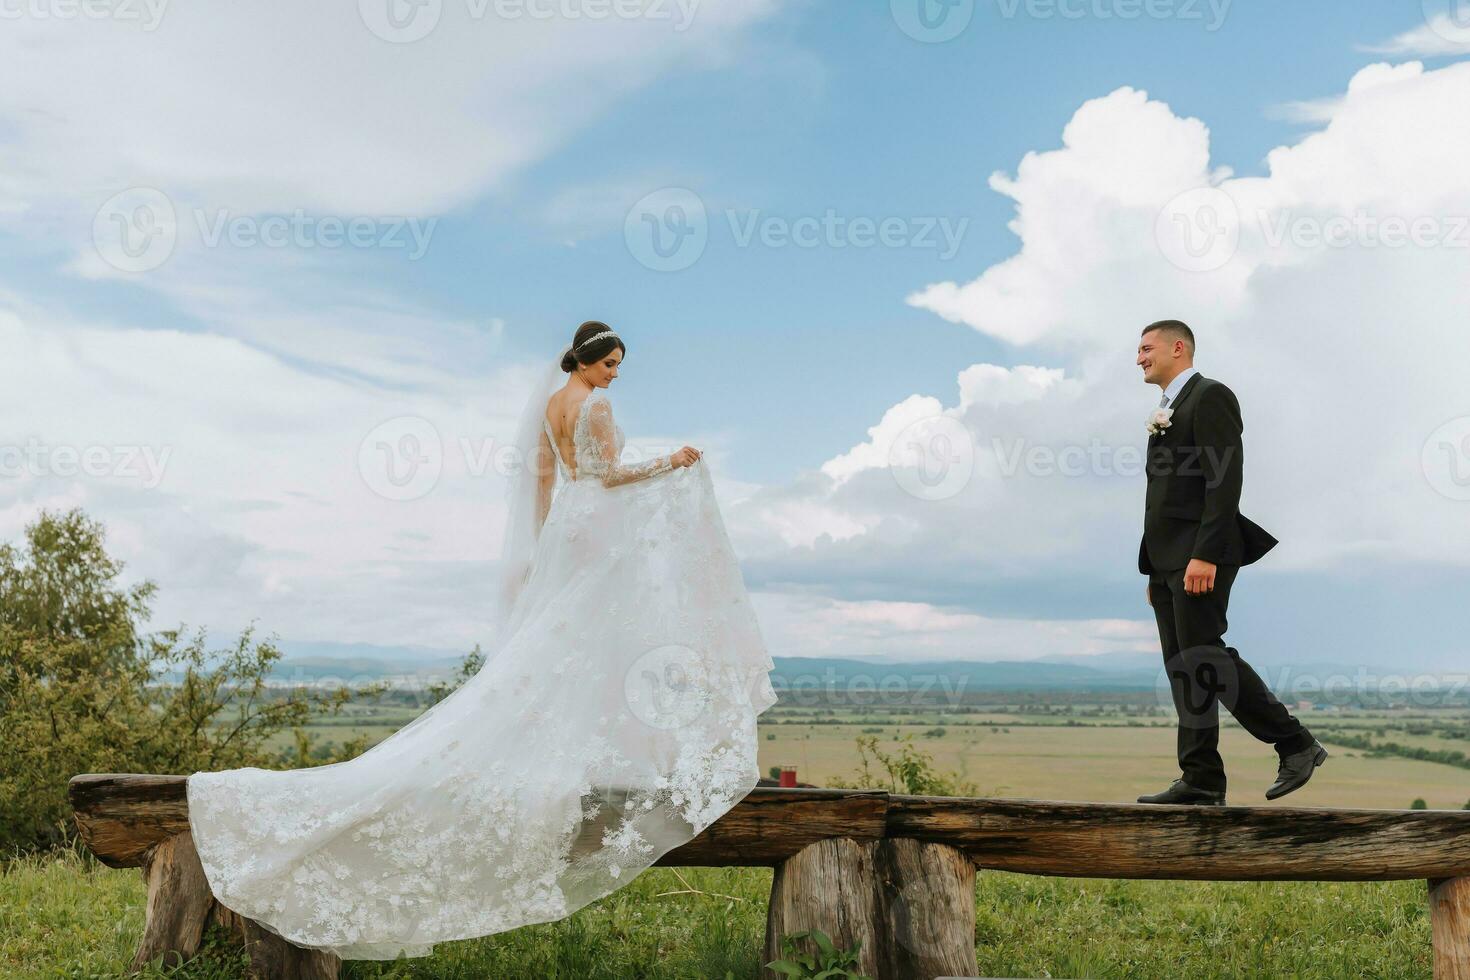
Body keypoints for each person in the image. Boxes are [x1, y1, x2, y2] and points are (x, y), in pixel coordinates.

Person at [185, 320, 778, 960]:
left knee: (573, 643)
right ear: (584, 363)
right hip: (599, 525)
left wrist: (549, 545)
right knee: (608, 639)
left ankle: (587, 754)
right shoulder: (596, 404)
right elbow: (607, 474)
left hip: (569, 530)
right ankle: (616, 756)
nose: (613, 375)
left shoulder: (553, 405)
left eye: (616, 367)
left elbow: (549, 482)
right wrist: (673, 461)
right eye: (608, 364)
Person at [1134, 319, 1326, 806]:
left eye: (1146, 348)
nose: (1138, 358)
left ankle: (1295, 743)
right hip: (1167, 562)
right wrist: (1156, 568)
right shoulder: (1167, 409)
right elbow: (1165, 497)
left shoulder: (1210, 396)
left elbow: (1224, 483)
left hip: (1202, 554)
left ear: (1178, 348)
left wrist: (1204, 555)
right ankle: (1200, 779)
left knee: (1205, 654)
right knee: (1183, 666)